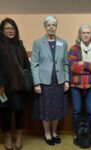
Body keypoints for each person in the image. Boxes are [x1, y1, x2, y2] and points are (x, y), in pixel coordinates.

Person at [30, 16, 69, 146]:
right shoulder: (38, 43)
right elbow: (34, 64)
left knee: (57, 108)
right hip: (44, 83)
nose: (51, 27)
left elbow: (65, 64)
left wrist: (67, 81)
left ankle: (54, 132)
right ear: (45, 27)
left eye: (53, 25)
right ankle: (47, 133)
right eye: (48, 25)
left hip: (59, 82)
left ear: (56, 26)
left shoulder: (63, 43)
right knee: (46, 109)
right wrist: (36, 83)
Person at [68, 24, 91, 146]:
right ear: (80, 35)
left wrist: (83, 63)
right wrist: (90, 66)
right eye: (84, 33)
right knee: (77, 111)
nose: (86, 35)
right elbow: (73, 67)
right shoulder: (73, 49)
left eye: (88, 33)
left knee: (90, 111)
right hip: (76, 85)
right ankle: (77, 134)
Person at [0, 18, 31, 150]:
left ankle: (18, 137)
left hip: (20, 86)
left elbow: (26, 64)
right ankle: (7, 137)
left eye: (12, 28)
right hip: (3, 87)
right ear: (2, 30)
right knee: (5, 113)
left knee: (20, 112)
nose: (10, 30)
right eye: (7, 28)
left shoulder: (20, 44)